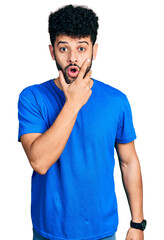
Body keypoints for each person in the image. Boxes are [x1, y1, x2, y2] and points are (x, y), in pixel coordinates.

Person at [18, 5, 146, 240]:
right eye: (63, 48)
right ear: (52, 51)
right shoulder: (32, 97)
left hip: (102, 232)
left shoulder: (116, 101)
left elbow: (129, 162)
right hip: (50, 232)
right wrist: (73, 103)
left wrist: (137, 224)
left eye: (82, 48)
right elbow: (39, 161)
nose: (73, 58)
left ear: (94, 50)